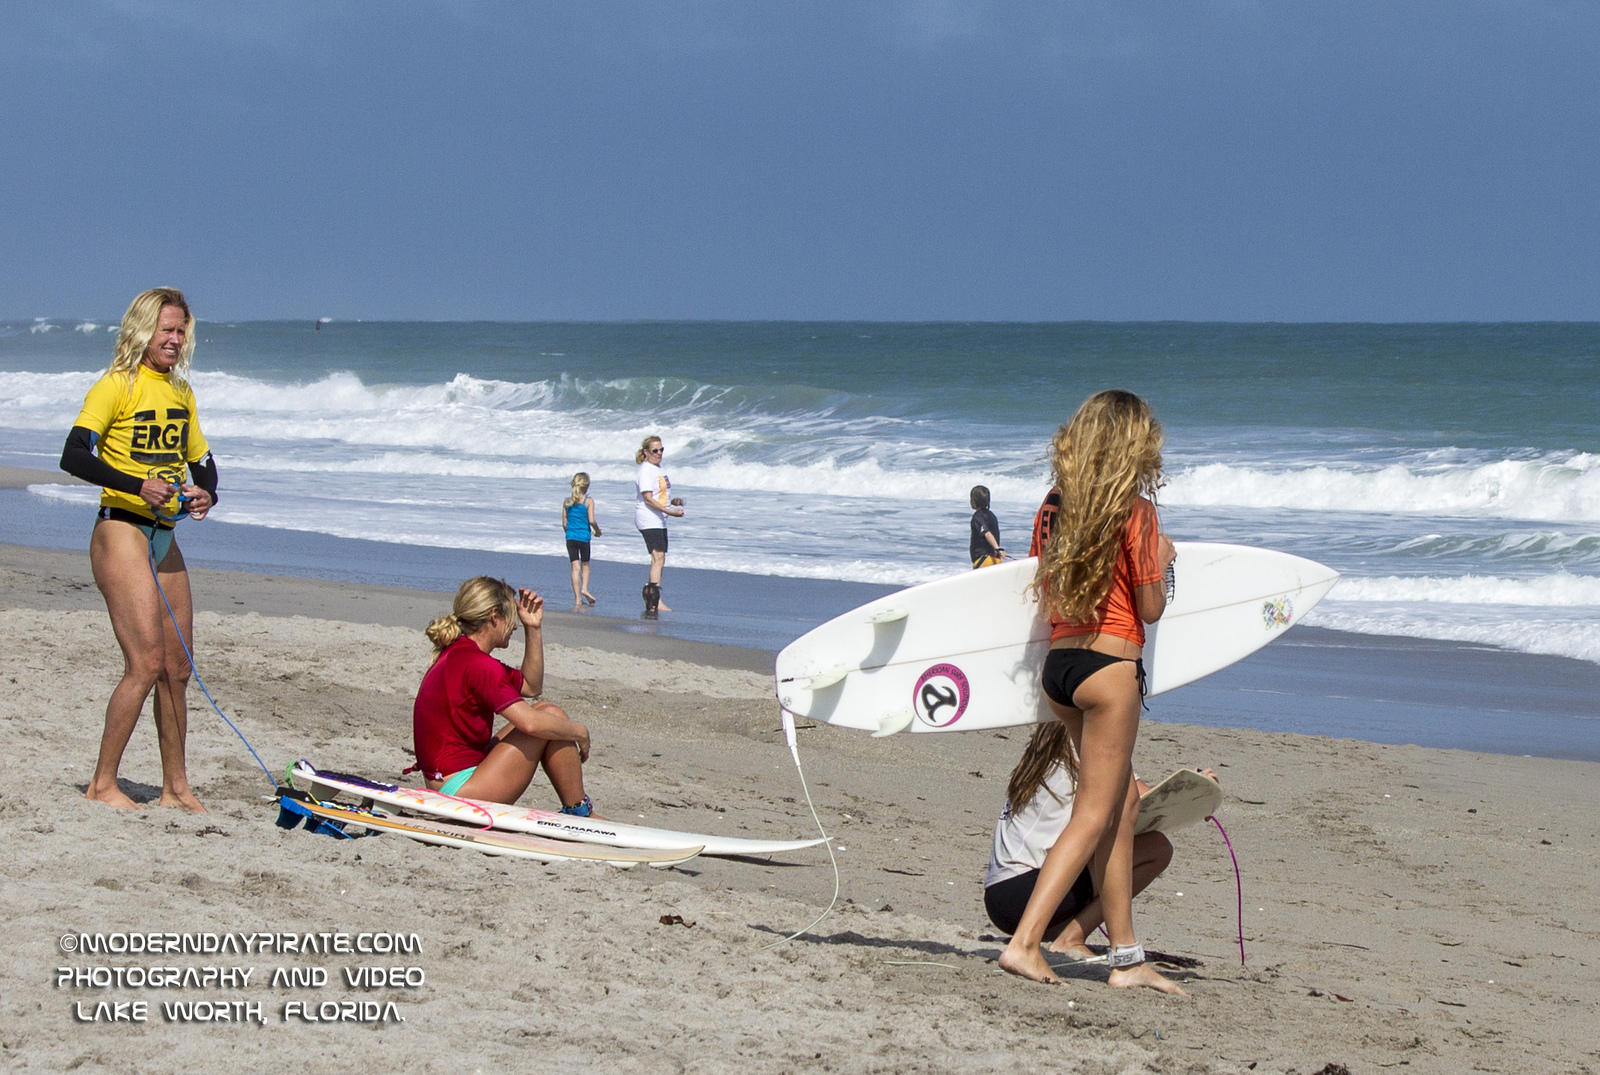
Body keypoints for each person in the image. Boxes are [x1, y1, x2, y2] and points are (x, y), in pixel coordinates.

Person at [997, 389, 1181, 993]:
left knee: (1122, 806)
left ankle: (1127, 957)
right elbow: (1150, 609)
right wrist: (1166, 560)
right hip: (1110, 672)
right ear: (1137, 445)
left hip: (1060, 670)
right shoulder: (1136, 512)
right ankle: (1025, 944)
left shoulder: (1052, 507)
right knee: (1096, 813)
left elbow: (1034, 584)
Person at [59, 288, 219, 812]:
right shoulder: (116, 385)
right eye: (165, 330)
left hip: (164, 533)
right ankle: (103, 784)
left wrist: (206, 493)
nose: (173, 340)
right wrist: (134, 485)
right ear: (142, 330)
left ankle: (176, 788)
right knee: (146, 662)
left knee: (177, 666)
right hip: (120, 528)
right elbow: (73, 455)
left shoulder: (181, 391)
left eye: (180, 331)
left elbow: (204, 461)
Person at [987, 722, 1218, 962]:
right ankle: (1071, 938)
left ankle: (1065, 934)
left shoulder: (1049, 749)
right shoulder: (1088, 747)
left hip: (1000, 895)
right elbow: (1144, 801)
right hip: (1024, 894)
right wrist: (1197, 789)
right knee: (1157, 848)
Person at [411, 577, 595, 813]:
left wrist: (533, 628)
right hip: (458, 793)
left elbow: (530, 686)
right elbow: (529, 724)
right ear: (494, 617)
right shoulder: (479, 665)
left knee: (548, 712)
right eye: (513, 618)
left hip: (445, 781)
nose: (515, 627)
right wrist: (580, 732)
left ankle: (577, 809)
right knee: (549, 718)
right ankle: (580, 811)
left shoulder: (459, 652)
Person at [634, 435, 684, 613]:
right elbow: (648, 499)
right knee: (658, 558)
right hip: (649, 518)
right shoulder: (646, 470)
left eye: (661, 449)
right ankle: (655, 601)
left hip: (659, 518)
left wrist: (673, 502)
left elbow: (660, 496)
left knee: (660, 558)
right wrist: (669, 512)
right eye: (655, 450)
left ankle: (652, 597)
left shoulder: (659, 468)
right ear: (646, 452)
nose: (659, 453)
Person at [562, 472, 601, 607]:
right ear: (587, 486)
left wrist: (569, 533)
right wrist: (598, 530)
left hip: (571, 537)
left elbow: (564, 523)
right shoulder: (588, 501)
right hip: (584, 537)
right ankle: (584, 588)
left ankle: (577, 599)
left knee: (575, 567)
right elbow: (591, 520)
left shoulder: (567, 501)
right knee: (585, 565)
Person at [970, 485, 1005, 568]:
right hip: (995, 558)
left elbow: (987, 533)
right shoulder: (992, 515)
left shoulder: (977, 517)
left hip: (984, 560)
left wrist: (998, 549)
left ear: (974, 501)